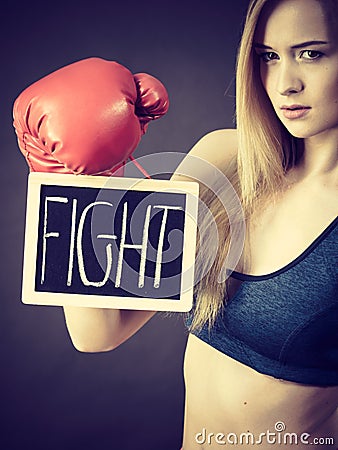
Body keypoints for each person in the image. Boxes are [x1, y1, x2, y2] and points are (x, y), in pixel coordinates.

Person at [15, 0, 337, 448]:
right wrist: (74, 180)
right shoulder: (223, 159)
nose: (285, 84)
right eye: (268, 56)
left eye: (311, 53)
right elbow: (100, 332)